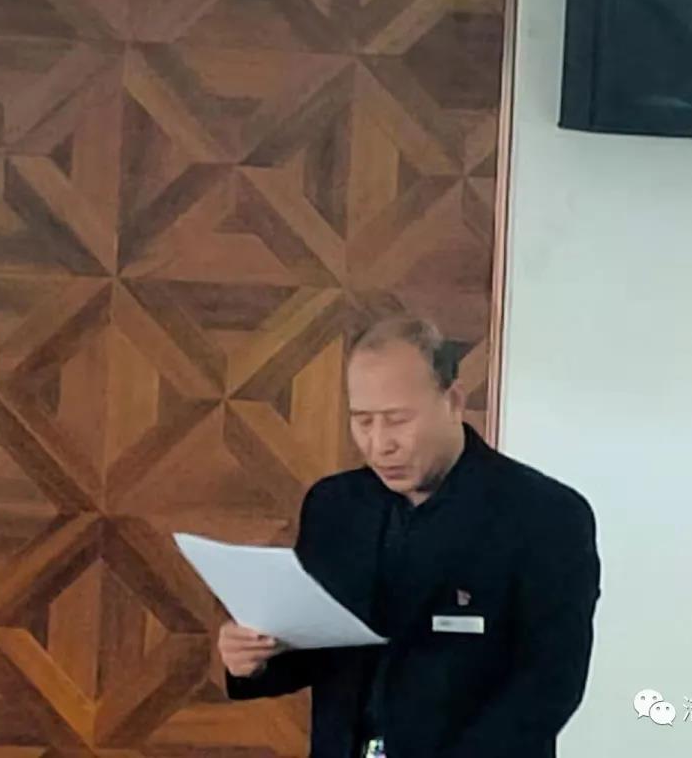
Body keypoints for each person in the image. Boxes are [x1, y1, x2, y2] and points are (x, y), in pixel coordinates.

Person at [217, 315, 601, 758]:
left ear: (453, 401)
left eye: (397, 420)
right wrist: (254, 657)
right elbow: (321, 650)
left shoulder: (545, 515)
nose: (380, 444)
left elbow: (549, 685)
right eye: (363, 421)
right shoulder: (334, 506)